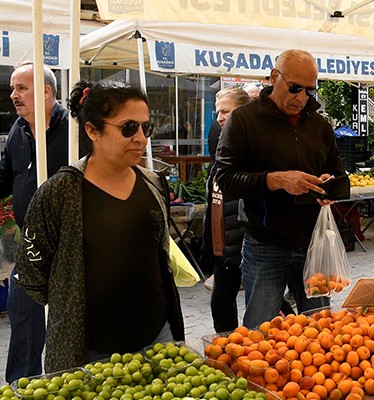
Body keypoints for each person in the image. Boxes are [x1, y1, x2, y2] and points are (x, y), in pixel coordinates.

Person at [14, 80, 185, 373]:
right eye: (129, 127)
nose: (141, 139)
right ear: (93, 130)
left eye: (147, 127)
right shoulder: (61, 191)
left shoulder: (153, 183)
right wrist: (69, 299)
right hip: (89, 353)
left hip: (158, 338)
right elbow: (31, 272)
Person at [214, 49, 348, 329]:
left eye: (309, 90)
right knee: (259, 331)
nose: (301, 98)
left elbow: (339, 176)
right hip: (265, 243)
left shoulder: (321, 126)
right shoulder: (243, 121)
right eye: (295, 88)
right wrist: (276, 180)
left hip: (314, 242)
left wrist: (327, 186)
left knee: (321, 329)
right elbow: (225, 180)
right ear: (274, 77)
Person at [3, 61, 70, 382]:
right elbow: (7, 176)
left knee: (67, 322)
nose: (13, 95)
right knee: (24, 317)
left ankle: (65, 380)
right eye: (13, 88)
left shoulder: (74, 128)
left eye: (21, 88)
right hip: (30, 244)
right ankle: (20, 385)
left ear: (46, 91)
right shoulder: (17, 129)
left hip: (69, 242)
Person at [200, 87, 251, 332]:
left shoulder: (252, 148)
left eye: (226, 111)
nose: (220, 117)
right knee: (221, 303)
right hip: (223, 244)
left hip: (245, 242)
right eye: (218, 112)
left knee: (262, 300)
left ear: (244, 112)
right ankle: (227, 348)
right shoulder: (223, 145)